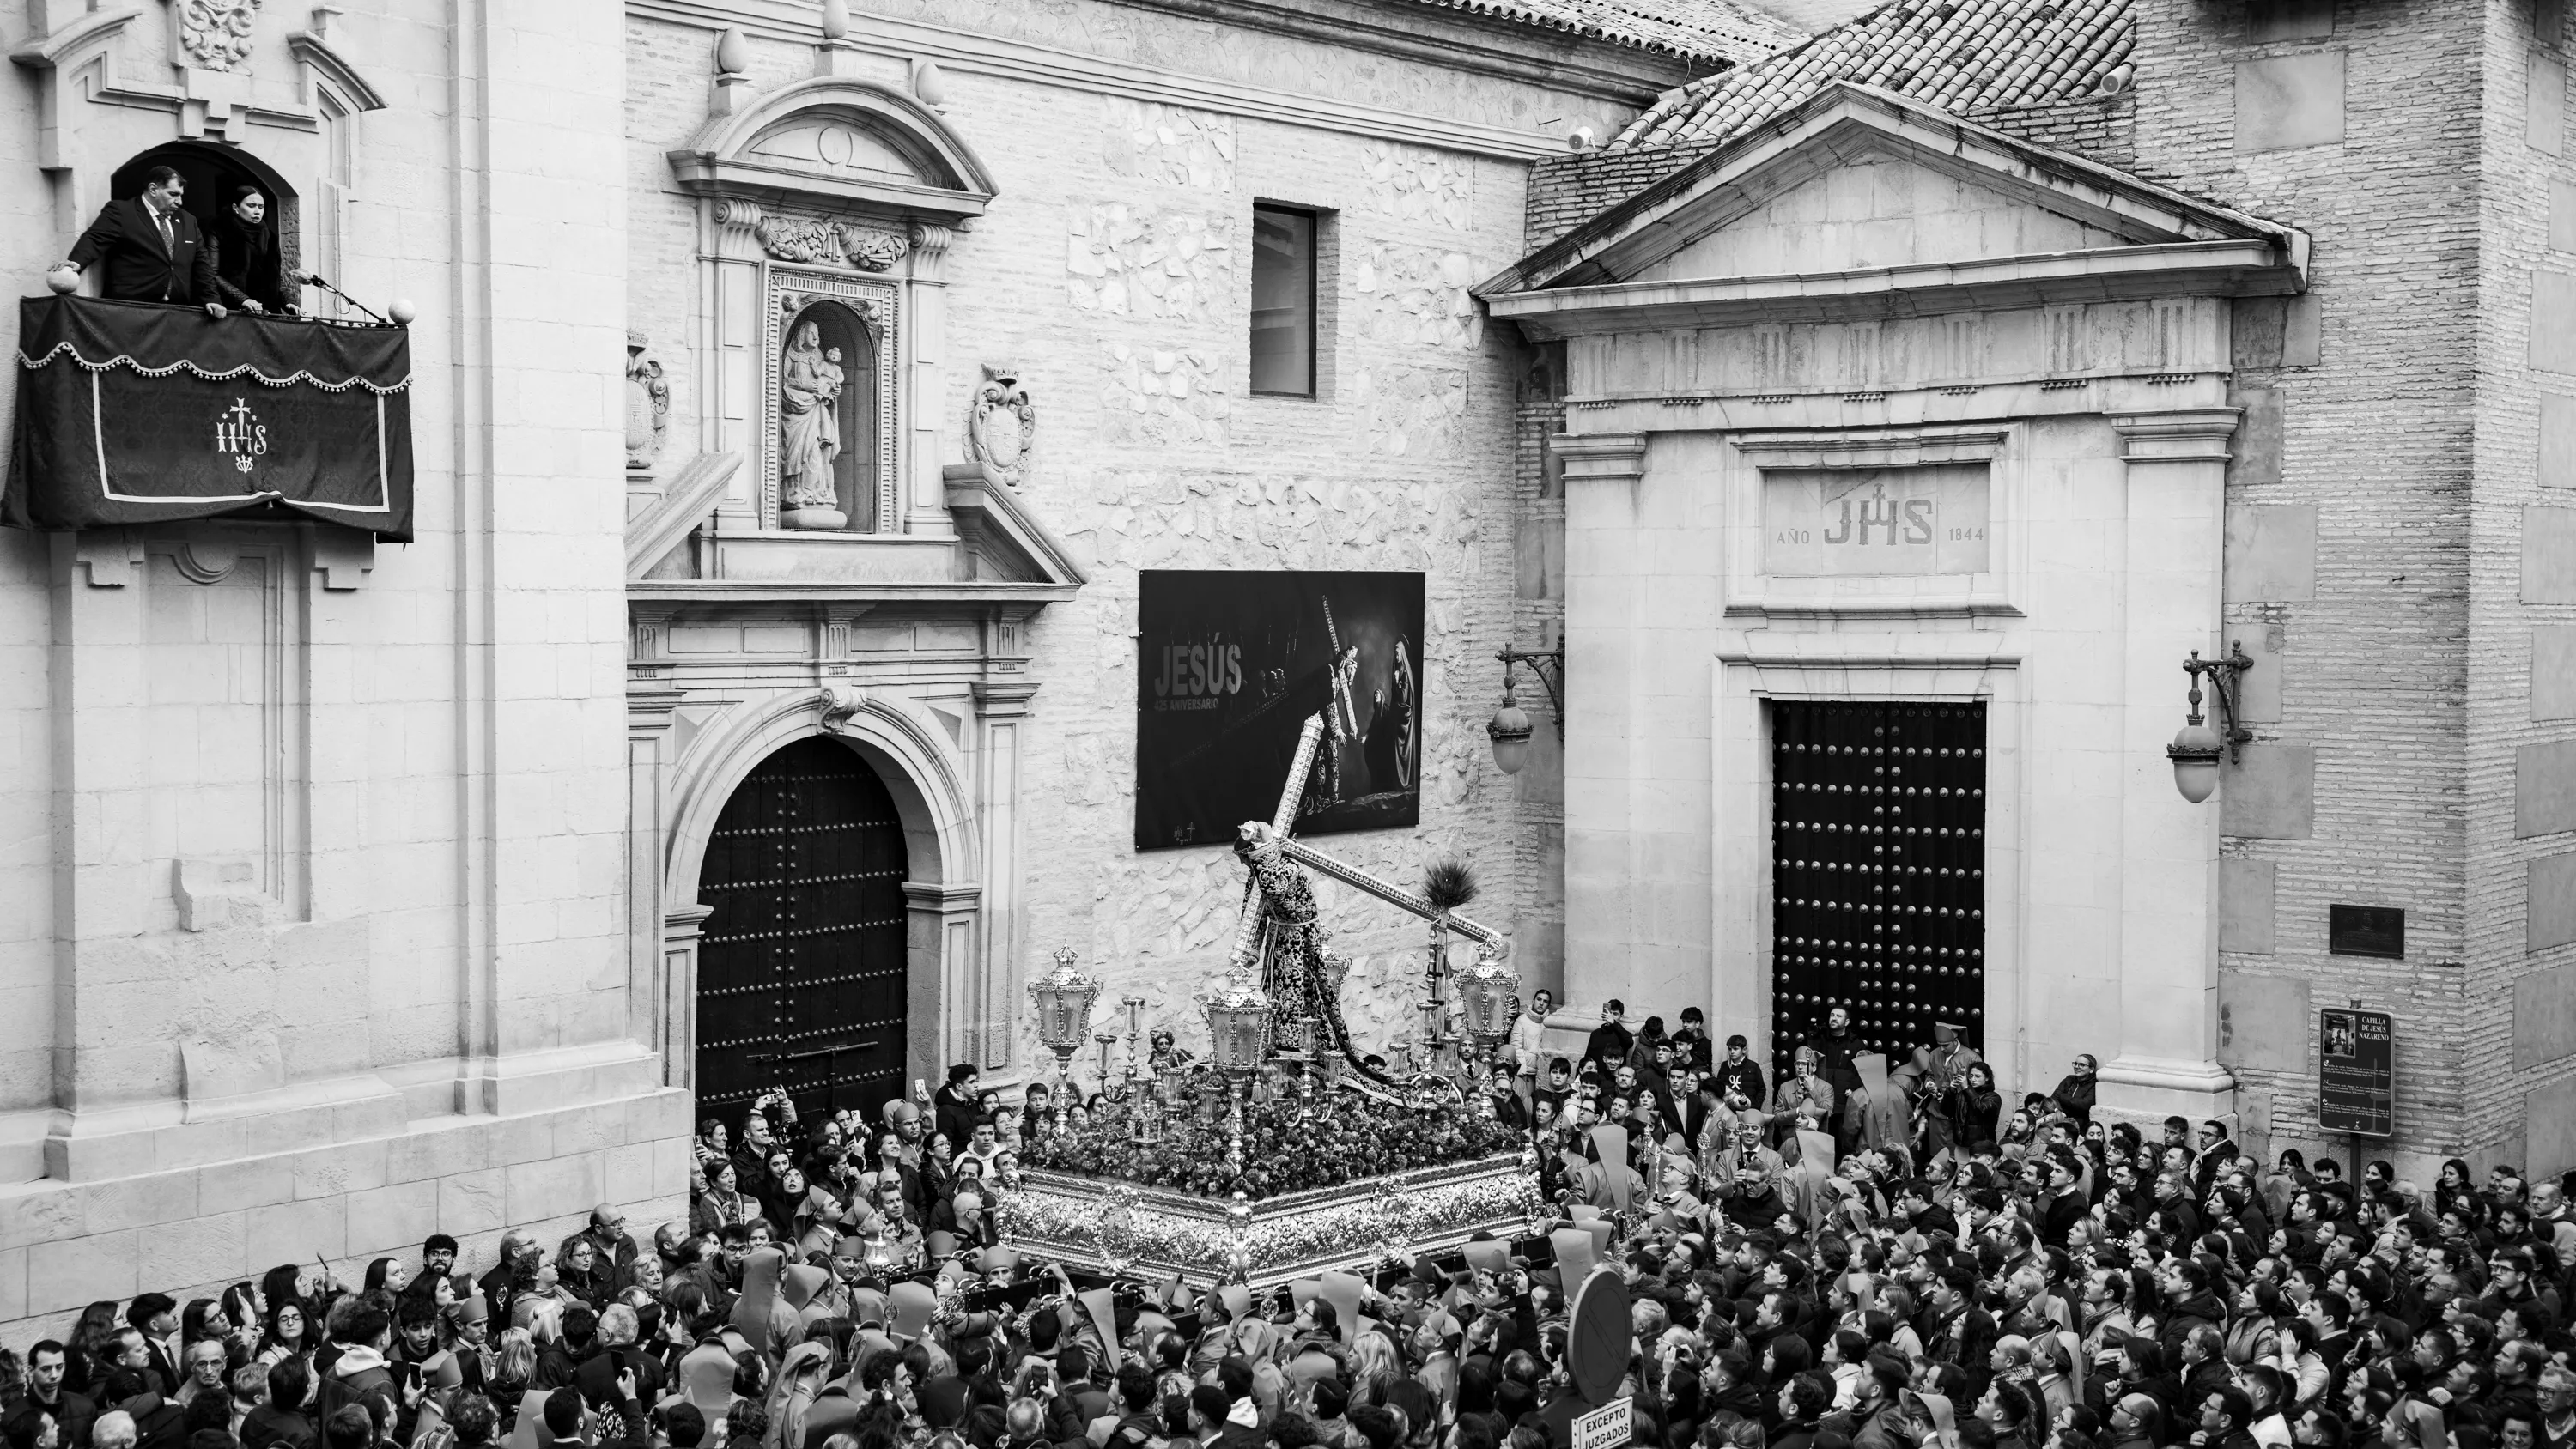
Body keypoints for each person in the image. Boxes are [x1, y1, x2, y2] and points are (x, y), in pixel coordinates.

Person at [52, 168, 227, 318]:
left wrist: (212, 299)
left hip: (175, 313)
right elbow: (95, 239)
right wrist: (75, 263)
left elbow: (202, 264)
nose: (179, 202)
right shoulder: (122, 211)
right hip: (130, 312)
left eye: (180, 195)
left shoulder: (188, 220)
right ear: (153, 189)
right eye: (173, 194)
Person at [208, 185, 297, 314]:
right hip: (232, 311)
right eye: (251, 206)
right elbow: (212, 274)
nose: (257, 212)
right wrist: (243, 299)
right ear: (235, 208)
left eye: (261, 207)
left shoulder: (269, 236)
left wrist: (288, 301)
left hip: (266, 312)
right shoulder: (219, 230)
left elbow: (275, 275)